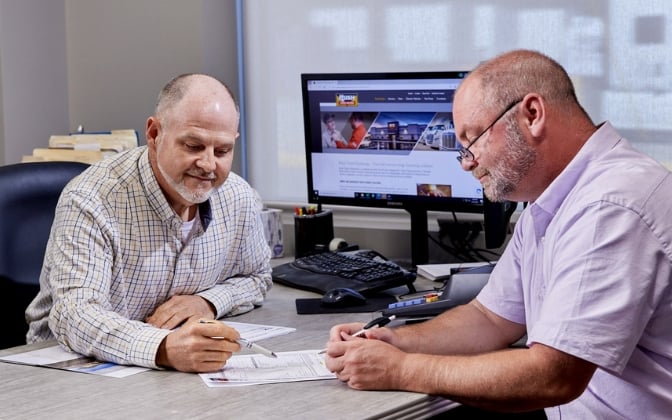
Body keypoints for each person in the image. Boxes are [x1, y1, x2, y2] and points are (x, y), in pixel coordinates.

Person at [324, 50, 672, 418]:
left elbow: (553, 376)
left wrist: (400, 369)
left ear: (532, 115)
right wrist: (394, 341)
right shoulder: (547, 206)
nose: (466, 162)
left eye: (473, 140)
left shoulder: (611, 205)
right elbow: (489, 319)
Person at [26, 73, 273, 373]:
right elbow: (75, 316)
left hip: (170, 376)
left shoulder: (236, 195)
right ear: (154, 134)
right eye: (194, 146)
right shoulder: (91, 199)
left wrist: (207, 302)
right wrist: (165, 348)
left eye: (222, 151)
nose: (209, 165)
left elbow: (258, 277)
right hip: (68, 372)